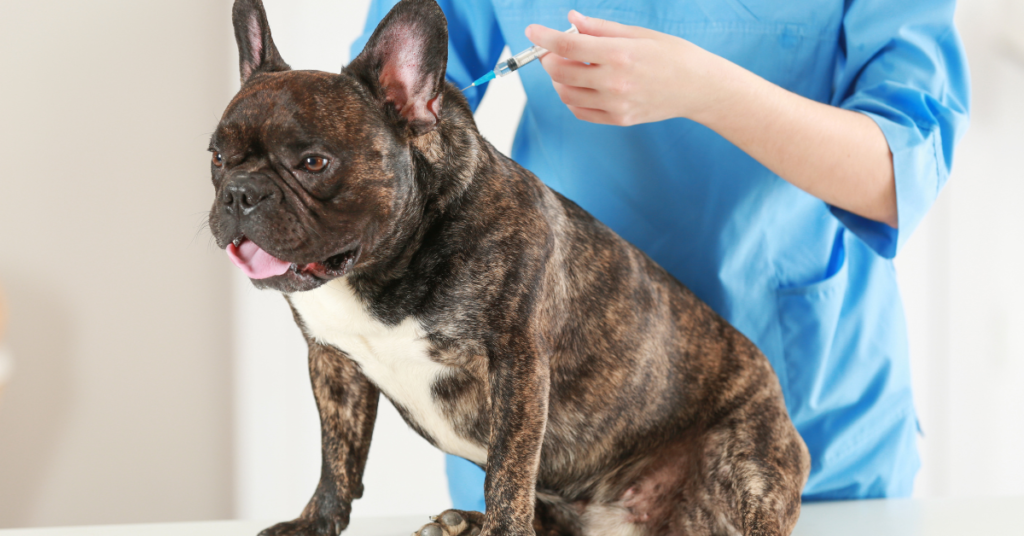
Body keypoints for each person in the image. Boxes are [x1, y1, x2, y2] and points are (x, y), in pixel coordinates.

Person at [353, 0, 969, 504]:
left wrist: (707, 91)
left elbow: (897, 175)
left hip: (797, 425)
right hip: (544, 436)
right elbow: (375, 131)